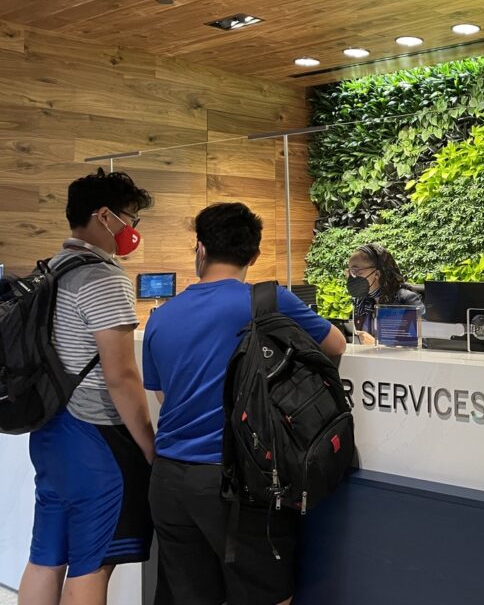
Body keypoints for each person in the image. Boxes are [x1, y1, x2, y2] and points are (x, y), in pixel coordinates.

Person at [142, 202, 345, 605]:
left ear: (199, 249)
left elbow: (162, 392)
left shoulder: (162, 315)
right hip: (237, 479)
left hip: (169, 479)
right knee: (266, 595)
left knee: (189, 596)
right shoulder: (266, 301)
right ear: (253, 255)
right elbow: (335, 345)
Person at [19, 169, 155, 605]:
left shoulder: (51, 269)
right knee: (92, 564)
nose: (132, 231)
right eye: (130, 219)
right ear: (103, 217)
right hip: (96, 439)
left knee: (45, 557)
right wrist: (149, 446)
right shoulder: (104, 277)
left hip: (51, 431)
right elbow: (121, 377)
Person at [346, 243, 422, 345]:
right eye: (349, 272)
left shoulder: (406, 300)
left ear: (377, 274)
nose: (350, 277)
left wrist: (377, 344)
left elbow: (423, 346)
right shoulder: (361, 302)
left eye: (355, 271)